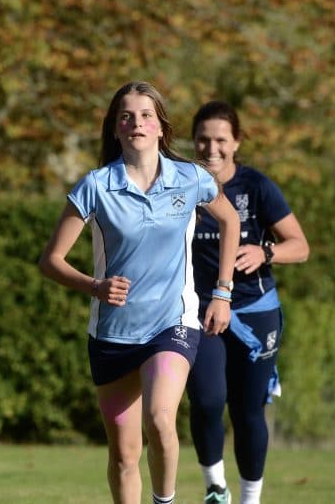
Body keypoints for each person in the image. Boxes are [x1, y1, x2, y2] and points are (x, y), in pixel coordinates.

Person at [39, 82, 240, 504]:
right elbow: (51, 261)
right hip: (112, 335)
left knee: (161, 419)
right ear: (115, 128)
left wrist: (222, 291)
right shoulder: (95, 187)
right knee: (124, 456)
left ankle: (164, 501)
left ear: (162, 127)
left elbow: (230, 222)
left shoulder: (190, 178)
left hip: (173, 324)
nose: (137, 123)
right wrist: (94, 286)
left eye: (146, 115)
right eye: (126, 116)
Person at [185, 101, 309, 504]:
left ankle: (250, 499)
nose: (211, 148)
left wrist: (265, 252)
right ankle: (215, 488)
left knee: (247, 411)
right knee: (206, 399)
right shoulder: (179, 184)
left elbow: (301, 246)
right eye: (203, 139)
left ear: (237, 142)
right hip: (200, 311)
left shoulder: (256, 187)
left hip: (255, 313)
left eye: (221, 139)